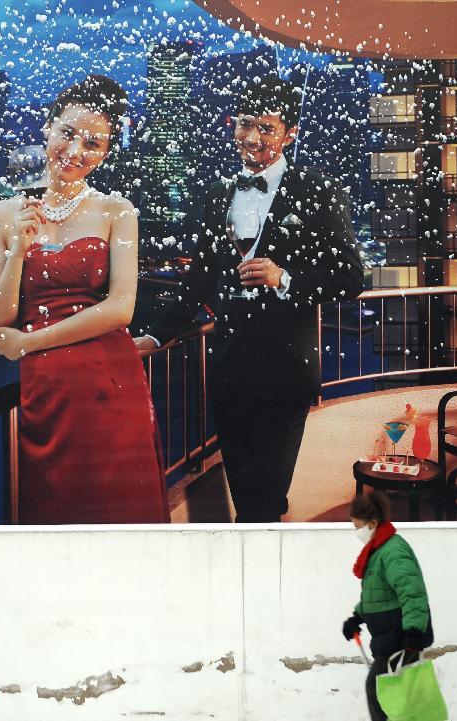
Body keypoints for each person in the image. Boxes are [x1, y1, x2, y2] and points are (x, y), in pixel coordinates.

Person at [134, 74, 364, 522]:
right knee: (247, 500)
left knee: (267, 500)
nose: (253, 137)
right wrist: (154, 338)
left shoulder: (317, 190)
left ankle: (261, 582)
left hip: (286, 370)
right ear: (231, 126)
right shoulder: (218, 194)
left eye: (267, 128)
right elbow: (198, 281)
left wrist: (284, 277)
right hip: (230, 373)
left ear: (289, 134)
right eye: (245, 125)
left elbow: (352, 277)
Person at [0, 74, 169, 524]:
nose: (76, 152)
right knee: (55, 510)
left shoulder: (116, 211)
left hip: (111, 382)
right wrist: (19, 253)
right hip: (48, 387)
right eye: (68, 133)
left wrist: (26, 343)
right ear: (47, 128)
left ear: (105, 154)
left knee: (125, 514)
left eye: (93, 144)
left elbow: (121, 309)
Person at [342, 491, 434, 721]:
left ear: (373, 523)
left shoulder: (393, 551)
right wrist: (357, 617)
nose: (356, 532)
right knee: (390, 700)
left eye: (358, 526)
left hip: (401, 639)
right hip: (388, 638)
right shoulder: (378, 551)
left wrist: (413, 632)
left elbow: (412, 592)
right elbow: (379, 596)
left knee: (382, 696)